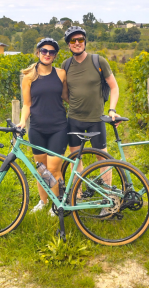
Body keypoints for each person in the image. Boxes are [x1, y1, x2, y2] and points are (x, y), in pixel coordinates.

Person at [17, 38, 68, 216]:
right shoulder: (29, 77)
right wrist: (23, 121)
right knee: (41, 168)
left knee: (54, 168)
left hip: (58, 127)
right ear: (38, 52)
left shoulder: (61, 74)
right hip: (37, 128)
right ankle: (43, 201)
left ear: (55, 56)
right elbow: (27, 104)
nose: (47, 54)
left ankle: (57, 204)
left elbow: (67, 97)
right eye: (44, 51)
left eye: (51, 52)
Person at [61, 26, 120, 178]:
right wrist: (76, 103)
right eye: (73, 40)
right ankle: (78, 195)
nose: (77, 43)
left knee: (103, 159)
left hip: (96, 119)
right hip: (74, 120)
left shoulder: (98, 61)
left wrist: (112, 110)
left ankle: (109, 196)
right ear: (69, 44)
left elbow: (114, 87)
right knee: (75, 159)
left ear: (85, 42)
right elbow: (65, 93)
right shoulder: (65, 65)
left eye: (80, 39)